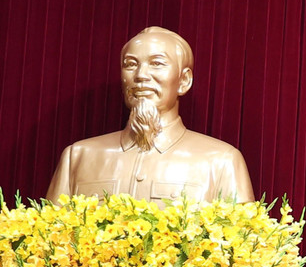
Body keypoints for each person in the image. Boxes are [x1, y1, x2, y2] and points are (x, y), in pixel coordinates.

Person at [47, 27, 254, 203]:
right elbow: (49, 234)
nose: (140, 75)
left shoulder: (221, 161)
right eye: (130, 64)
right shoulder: (78, 157)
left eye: (157, 63)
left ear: (184, 81)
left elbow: (243, 237)